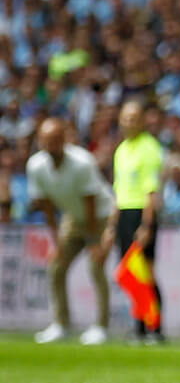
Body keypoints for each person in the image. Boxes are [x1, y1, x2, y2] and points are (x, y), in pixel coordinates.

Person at [26, 118, 116, 345]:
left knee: (95, 266)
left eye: (56, 139)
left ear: (64, 139)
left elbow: (91, 202)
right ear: (40, 141)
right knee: (56, 268)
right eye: (47, 140)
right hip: (73, 218)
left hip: (100, 216)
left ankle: (101, 327)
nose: (51, 144)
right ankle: (60, 324)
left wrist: (95, 241)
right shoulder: (35, 166)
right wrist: (55, 240)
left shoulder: (81, 162)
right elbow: (45, 204)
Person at [112, 100, 167, 343]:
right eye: (125, 117)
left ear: (143, 120)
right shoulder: (121, 149)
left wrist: (147, 225)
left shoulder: (150, 148)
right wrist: (110, 225)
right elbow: (118, 191)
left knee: (146, 272)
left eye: (134, 118)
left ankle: (155, 327)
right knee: (131, 275)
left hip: (142, 213)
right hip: (124, 212)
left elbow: (151, 192)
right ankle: (139, 327)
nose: (128, 122)